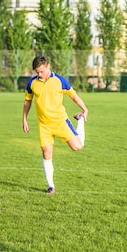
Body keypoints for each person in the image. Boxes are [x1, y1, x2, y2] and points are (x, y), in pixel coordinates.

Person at [22, 55, 88, 195]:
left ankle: (80, 120)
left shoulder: (59, 80)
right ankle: (51, 186)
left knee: (77, 147)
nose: (39, 74)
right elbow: (28, 101)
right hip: (44, 125)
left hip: (60, 121)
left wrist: (85, 109)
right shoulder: (32, 83)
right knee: (46, 153)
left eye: (41, 71)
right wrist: (24, 119)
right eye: (37, 72)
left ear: (48, 66)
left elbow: (73, 95)